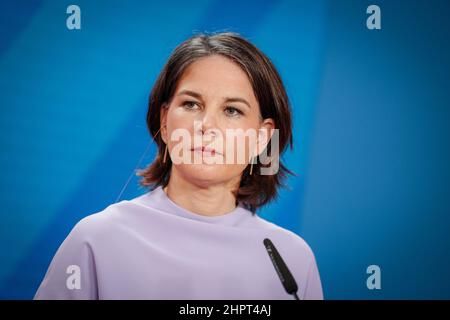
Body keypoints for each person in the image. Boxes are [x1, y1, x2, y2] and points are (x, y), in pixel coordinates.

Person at [34, 32, 323, 300]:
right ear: (164, 120)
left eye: (232, 110)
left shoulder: (293, 261)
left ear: (262, 137)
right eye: (191, 105)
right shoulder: (96, 239)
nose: (206, 125)